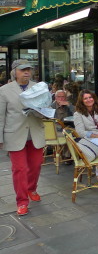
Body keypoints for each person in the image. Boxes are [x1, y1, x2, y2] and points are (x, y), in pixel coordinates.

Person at [0, 60, 46, 216]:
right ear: (14, 72)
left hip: (35, 133)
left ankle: (31, 188)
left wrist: (38, 110)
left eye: (29, 69)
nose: (26, 72)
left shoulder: (39, 87)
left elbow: (45, 111)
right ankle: (22, 201)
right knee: (19, 169)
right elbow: (0, 116)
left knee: (36, 165)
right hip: (14, 135)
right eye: (22, 70)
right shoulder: (5, 90)